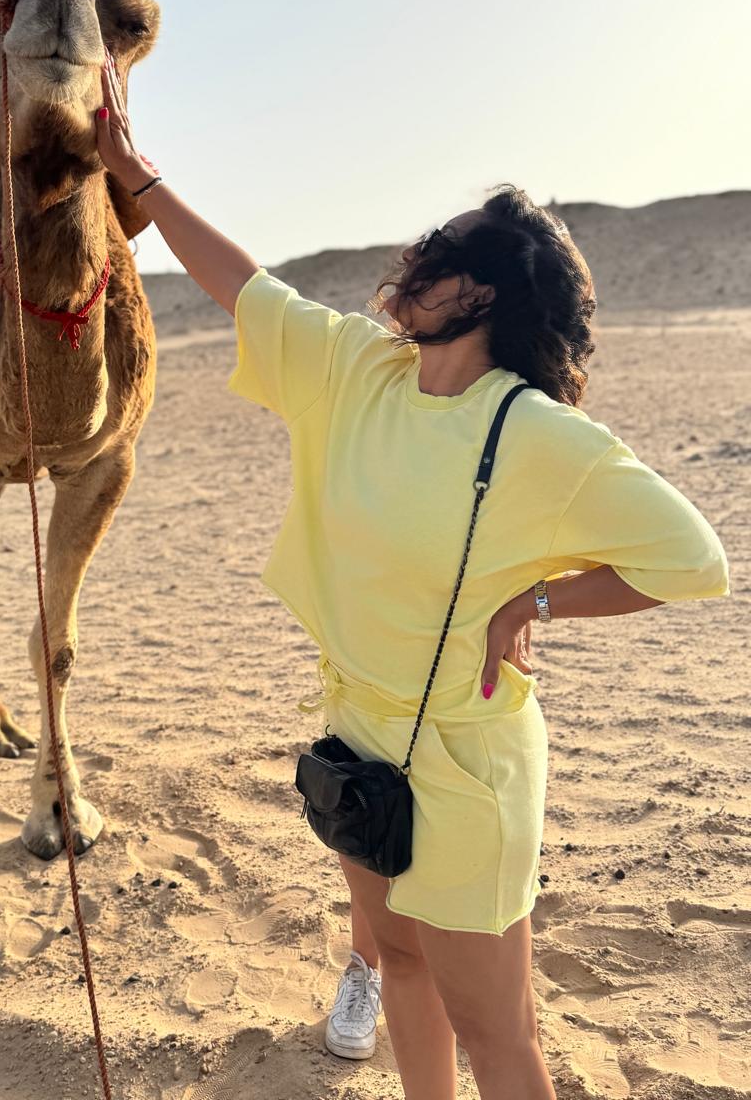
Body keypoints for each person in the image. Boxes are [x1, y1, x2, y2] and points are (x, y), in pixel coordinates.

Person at [92, 55, 729, 1100]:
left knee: (498, 1033)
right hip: (361, 731)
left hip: (467, 760)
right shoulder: (360, 369)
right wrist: (135, 173)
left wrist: (537, 600)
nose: (412, 256)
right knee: (400, 960)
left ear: (481, 292)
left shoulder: (536, 434)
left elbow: (694, 559)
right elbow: (245, 285)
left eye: (440, 249)